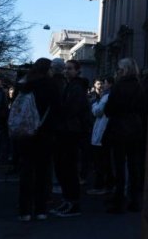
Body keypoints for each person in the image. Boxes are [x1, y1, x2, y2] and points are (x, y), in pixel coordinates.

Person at [16, 58, 61, 221]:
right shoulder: (51, 85)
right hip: (45, 133)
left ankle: (24, 210)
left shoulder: (23, 84)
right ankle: (40, 209)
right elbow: (57, 108)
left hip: (25, 132)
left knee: (26, 171)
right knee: (43, 172)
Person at [104, 58, 147, 213]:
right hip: (135, 129)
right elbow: (143, 109)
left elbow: (109, 109)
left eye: (119, 69)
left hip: (119, 129)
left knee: (119, 166)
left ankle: (119, 200)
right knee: (134, 166)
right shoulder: (139, 86)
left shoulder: (118, 86)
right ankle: (135, 201)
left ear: (124, 70)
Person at [51, 59, 91, 218]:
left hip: (70, 131)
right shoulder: (69, 85)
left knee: (68, 169)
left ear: (77, 71)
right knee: (63, 168)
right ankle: (68, 200)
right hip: (66, 130)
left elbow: (70, 109)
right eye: (65, 68)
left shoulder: (76, 88)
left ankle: (73, 203)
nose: (66, 71)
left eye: (70, 69)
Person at [88, 76, 114, 196]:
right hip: (103, 130)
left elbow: (97, 111)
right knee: (104, 161)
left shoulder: (106, 97)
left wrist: (94, 104)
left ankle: (101, 185)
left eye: (105, 83)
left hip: (102, 131)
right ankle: (106, 185)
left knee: (101, 162)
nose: (103, 86)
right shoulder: (107, 96)